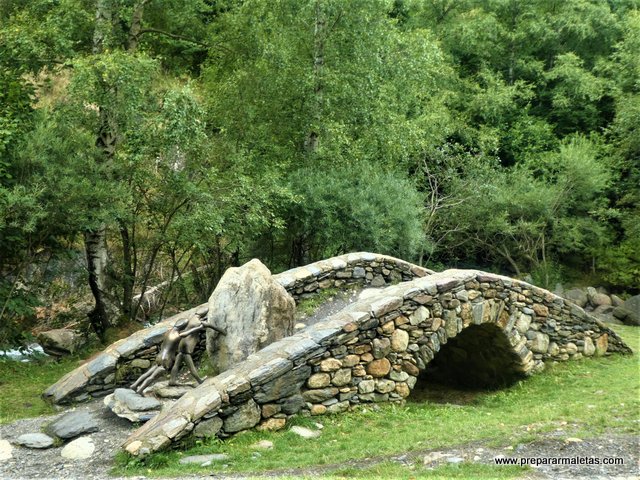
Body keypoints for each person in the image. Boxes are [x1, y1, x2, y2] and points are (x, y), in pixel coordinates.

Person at [130, 315, 225, 393]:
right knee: (153, 376)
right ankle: (140, 390)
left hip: (159, 356)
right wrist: (199, 326)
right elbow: (187, 333)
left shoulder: (169, 332)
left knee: (148, 373)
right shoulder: (178, 335)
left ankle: (134, 385)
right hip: (166, 359)